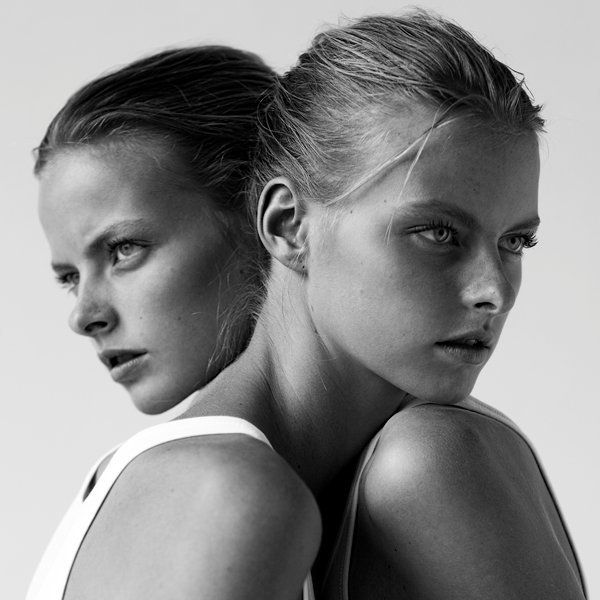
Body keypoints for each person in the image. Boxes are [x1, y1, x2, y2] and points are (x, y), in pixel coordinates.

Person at [234, 10, 585, 599]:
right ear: (289, 226)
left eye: (516, 242)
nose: (492, 292)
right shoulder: (212, 491)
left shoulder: (429, 456)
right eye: (438, 233)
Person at [28, 46, 320, 600]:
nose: (84, 315)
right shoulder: (223, 491)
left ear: (268, 218)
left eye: (123, 249)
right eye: (69, 277)